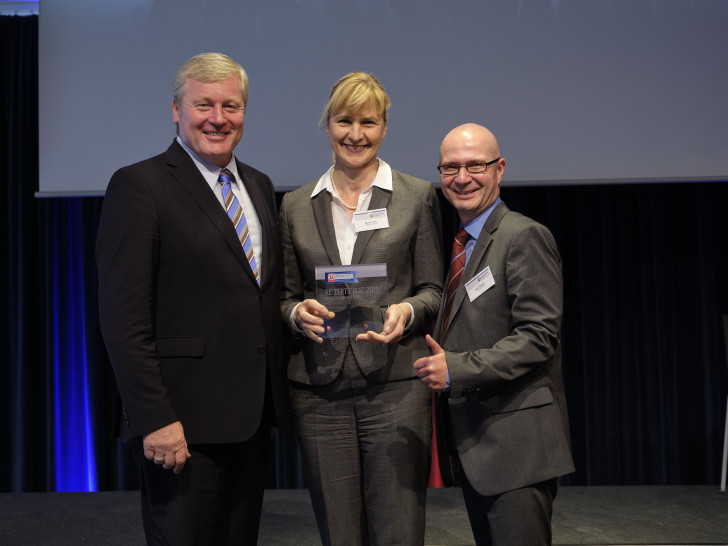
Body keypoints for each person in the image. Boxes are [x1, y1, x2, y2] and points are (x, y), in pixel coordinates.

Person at [96, 52, 289, 545]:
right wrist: (154, 419)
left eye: (232, 105)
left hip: (251, 422)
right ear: (176, 109)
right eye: (204, 105)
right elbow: (123, 319)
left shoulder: (261, 186)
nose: (219, 118)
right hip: (180, 427)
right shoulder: (139, 185)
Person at [279, 72, 443, 545]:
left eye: (368, 122)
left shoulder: (416, 196)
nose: (356, 134)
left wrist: (407, 312)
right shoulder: (294, 205)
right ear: (327, 126)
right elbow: (284, 295)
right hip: (318, 392)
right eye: (343, 120)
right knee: (340, 533)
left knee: (397, 530)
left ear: (385, 127)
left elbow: (433, 288)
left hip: (395, 387)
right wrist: (295, 314)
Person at [415, 123, 575, 545]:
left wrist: (455, 369)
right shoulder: (462, 245)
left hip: (517, 449)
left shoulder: (523, 236)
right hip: (478, 447)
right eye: (450, 167)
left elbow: (539, 336)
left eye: (475, 165)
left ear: (499, 169)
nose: (462, 177)